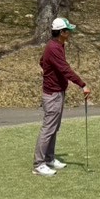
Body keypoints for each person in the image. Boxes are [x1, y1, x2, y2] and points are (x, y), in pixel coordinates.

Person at [34, 16, 91, 176]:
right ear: (61, 32)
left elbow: (42, 61)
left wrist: (47, 70)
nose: (70, 33)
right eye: (68, 30)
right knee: (48, 129)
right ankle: (39, 164)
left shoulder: (58, 45)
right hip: (52, 94)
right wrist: (82, 85)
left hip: (58, 92)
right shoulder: (54, 48)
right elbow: (65, 69)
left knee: (54, 127)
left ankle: (49, 159)